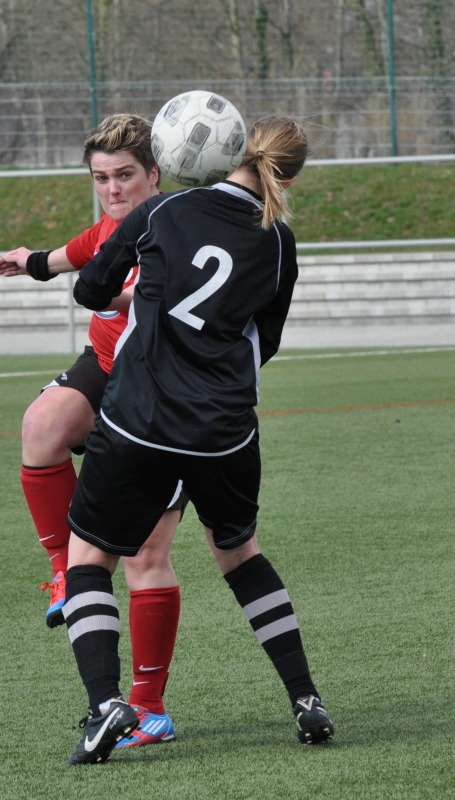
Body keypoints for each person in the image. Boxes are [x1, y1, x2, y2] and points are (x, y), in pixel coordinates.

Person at [62, 115, 335, 765]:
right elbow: (265, 342)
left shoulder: (165, 210)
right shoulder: (278, 240)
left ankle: (106, 704)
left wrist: (141, 297)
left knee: (89, 558)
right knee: (240, 554)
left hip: (140, 420)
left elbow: (89, 289)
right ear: (290, 177)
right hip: (225, 430)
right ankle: (306, 699)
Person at [0, 114, 183, 747]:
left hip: (161, 394)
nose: (112, 189)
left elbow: (149, 293)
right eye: (101, 178)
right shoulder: (109, 224)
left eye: (124, 175)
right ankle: (61, 572)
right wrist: (33, 261)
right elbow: (77, 252)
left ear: (154, 174)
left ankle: (148, 707)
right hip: (104, 367)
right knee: (41, 425)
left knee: (145, 555)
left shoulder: (175, 228)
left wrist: (116, 294)